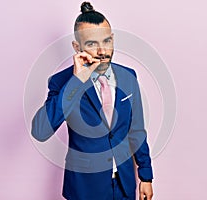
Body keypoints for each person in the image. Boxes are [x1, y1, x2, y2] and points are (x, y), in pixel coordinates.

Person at [31, 2, 154, 200]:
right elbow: (41, 130)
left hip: (124, 186)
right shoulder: (62, 82)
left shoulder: (128, 77)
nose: (102, 51)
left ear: (112, 39)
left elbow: (136, 130)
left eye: (106, 41)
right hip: (85, 189)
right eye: (91, 44)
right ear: (77, 47)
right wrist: (77, 81)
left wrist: (146, 176)